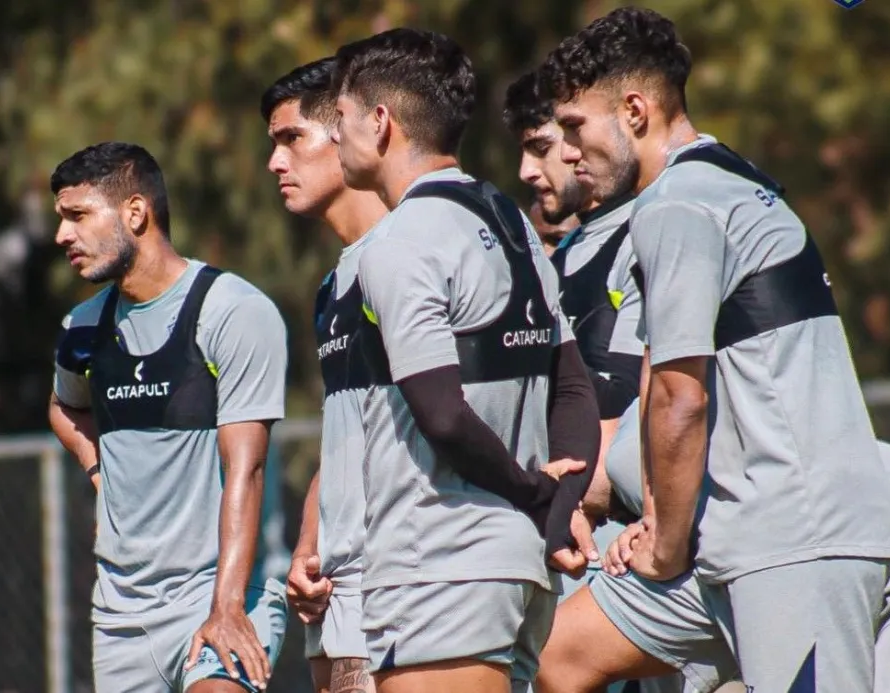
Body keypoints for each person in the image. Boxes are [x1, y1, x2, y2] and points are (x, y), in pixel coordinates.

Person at [538, 7, 890, 692]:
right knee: (560, 656)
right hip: (725, 536)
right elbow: (663, 383)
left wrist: (664, 543)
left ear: (635, 111)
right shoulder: (727, 180)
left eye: (576, 127)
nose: (566, 150)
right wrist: (657, 521)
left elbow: (681, 395)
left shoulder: (682, 203)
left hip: (800, 539)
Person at [331, 27, 601, 693]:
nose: (334, 135)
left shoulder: (399, 241)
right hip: (517, 572)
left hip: (439, 568)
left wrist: (534, 492)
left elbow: (444, 418)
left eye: (338, 118)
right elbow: (573, 387)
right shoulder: (509, 220)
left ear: (381, 122)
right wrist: (553, 505)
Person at [48, 142, 288, 693]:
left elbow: (246, 471)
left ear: (135, 213)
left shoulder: (232, 311)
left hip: (226, 595)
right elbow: (64, 407)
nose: (62, 235)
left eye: (77, 215)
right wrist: (98, 472)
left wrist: (226, 607)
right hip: (122, 618)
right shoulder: (82, 328)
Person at [543, 398, 890, 693]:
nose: (585, 525)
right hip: (850, 534)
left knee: (562, 654)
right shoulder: (639, 441)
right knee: (563, 654)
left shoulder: (632, 456)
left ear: (565, 463)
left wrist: (660, 530)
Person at [504, 69, 684, 693]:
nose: (531, 170)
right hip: (584, 532)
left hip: (651, 537)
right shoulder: (562, 256)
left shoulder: (662, 224)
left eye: (542, 145)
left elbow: (657, 394)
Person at [260, 57, 388, 693]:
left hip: (403, 576)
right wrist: (309, 545)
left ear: (346, 132)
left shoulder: (409, 252)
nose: (276, 163)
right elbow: (348, 432)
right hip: (334, 582)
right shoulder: (335, 282)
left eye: (291, 139)